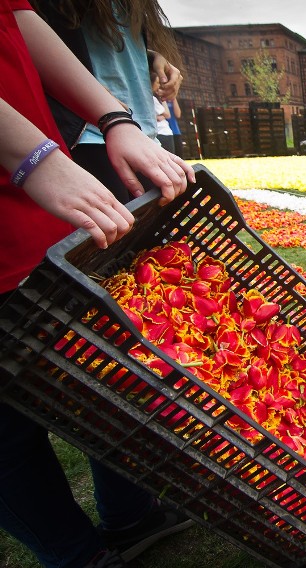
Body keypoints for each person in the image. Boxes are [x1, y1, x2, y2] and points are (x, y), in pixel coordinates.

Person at [1, 2, 195, 567]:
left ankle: (131, 515)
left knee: (103, 366)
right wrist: (35, 158)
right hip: (29, 167)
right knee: (6, 428)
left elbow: (15, 20)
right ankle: (75, 556)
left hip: (41, 190)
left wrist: (117, 120)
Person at [31, 0, 184, 204]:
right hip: (89, 135)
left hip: (142, 135)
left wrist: (149, 58)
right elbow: (26, 37)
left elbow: (107, 45)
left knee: (150, 231)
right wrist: (100, 101)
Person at [152, 75, 175, 153]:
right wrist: (163, 98)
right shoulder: (153, 99)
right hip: (163, 132)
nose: (158, 85)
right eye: (157, 83)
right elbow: (168, 114)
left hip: (158, 132)